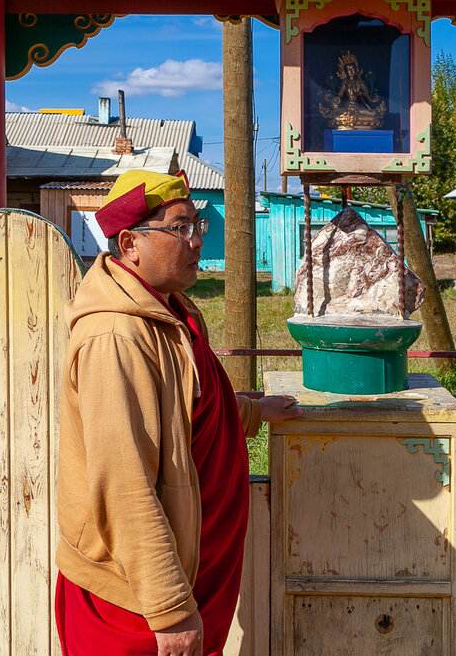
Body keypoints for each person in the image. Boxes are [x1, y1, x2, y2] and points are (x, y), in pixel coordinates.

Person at [54, 169, 300, 656]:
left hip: (188, 573)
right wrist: (170, 608)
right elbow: (124, 484)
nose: (196, 242)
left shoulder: (168, 311)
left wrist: (251, 412)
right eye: (180, 228)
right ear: (130, 245)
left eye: (199, 227)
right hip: (133, 602)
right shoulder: (116, 337)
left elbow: (183, 408)